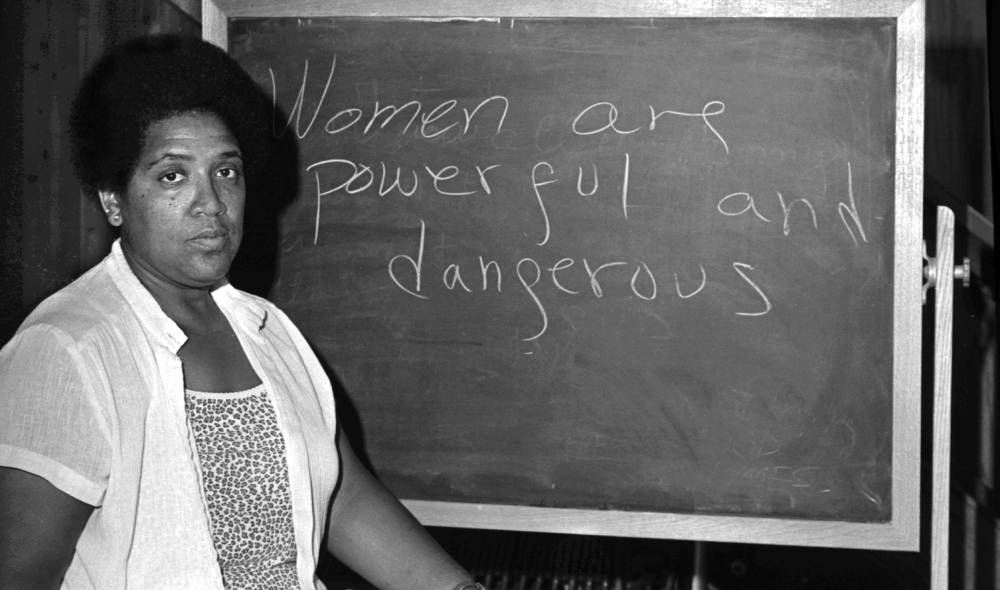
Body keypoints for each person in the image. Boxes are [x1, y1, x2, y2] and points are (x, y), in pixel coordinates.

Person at [0, 34, 485, 590]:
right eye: (173, 175)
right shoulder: (68, 349)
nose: (210, 203)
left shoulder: (267, 331)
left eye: (226, 172)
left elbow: (342, 495)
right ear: (114, 199)